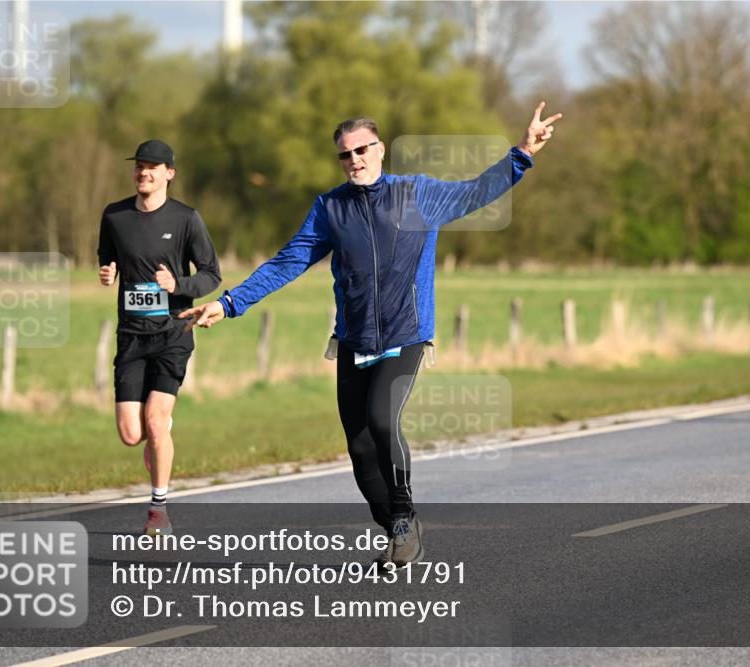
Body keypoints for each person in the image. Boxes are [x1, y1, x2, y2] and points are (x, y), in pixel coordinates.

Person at [180, 103, 561, 566]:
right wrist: (229, 302)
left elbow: (477, 192)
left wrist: (521, 153)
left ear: (380, 150)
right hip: (354, 340)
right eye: (345, 155)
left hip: (407, 334)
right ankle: (398, 527)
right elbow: (287, 262)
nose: (355, 160)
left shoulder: (418, 194)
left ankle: (403, 517)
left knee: (383, 420)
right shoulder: (330, 209)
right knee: (359, 448)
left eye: (363, 150)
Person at [98, 139, 222, 536]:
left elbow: (211, 275)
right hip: (132, 336)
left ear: (170, 173)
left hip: (173, 331)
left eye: (153, 167)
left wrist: (178, 284)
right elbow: (107, 257)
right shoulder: (114, 215)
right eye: (139, 166)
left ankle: (158, 510)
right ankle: (158, 438)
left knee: (154, 420)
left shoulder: (186, 219)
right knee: (132, 434)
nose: (144, 172)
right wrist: (107, 273)